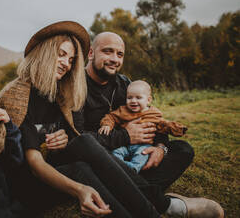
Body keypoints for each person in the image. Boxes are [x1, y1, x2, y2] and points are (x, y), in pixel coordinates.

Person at [0, 21, 162, 218]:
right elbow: (34, 164)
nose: (67, 63)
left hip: (58, 167)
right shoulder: (18, 96)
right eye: (61, 54)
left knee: (83, 151)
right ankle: (157, 206)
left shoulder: (59, 92)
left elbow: (69, 134)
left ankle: (149, 211)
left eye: (72, 59)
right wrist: (79, 190)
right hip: (26, 185)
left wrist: (63, 138)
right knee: (83, 163)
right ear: (45, 52)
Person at [75, 31, 224, 217]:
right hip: (106, 158)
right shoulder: (76, 86)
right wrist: (126, 136)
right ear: (91, 53)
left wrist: (161, 147)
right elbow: (80, 140)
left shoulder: (125, 84)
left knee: (182, 149)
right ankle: (158, 202)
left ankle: (126, 191)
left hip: (137, 156)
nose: (114, 59)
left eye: (119, 54)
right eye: (107, 51)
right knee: (95, 162)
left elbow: (150, 116)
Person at [99, 80, 187, 173]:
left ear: (148, 100)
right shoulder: (123, 110)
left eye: (138, 98)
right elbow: (111, 117)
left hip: (143, 145)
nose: (133, 101)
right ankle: (121, 167)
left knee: (142, 155)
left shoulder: (153, 114)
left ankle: (133, 168)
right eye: (129, 98)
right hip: (123, 144)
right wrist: (107, 125)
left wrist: (177, 129)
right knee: (116, 153)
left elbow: (164, 125)